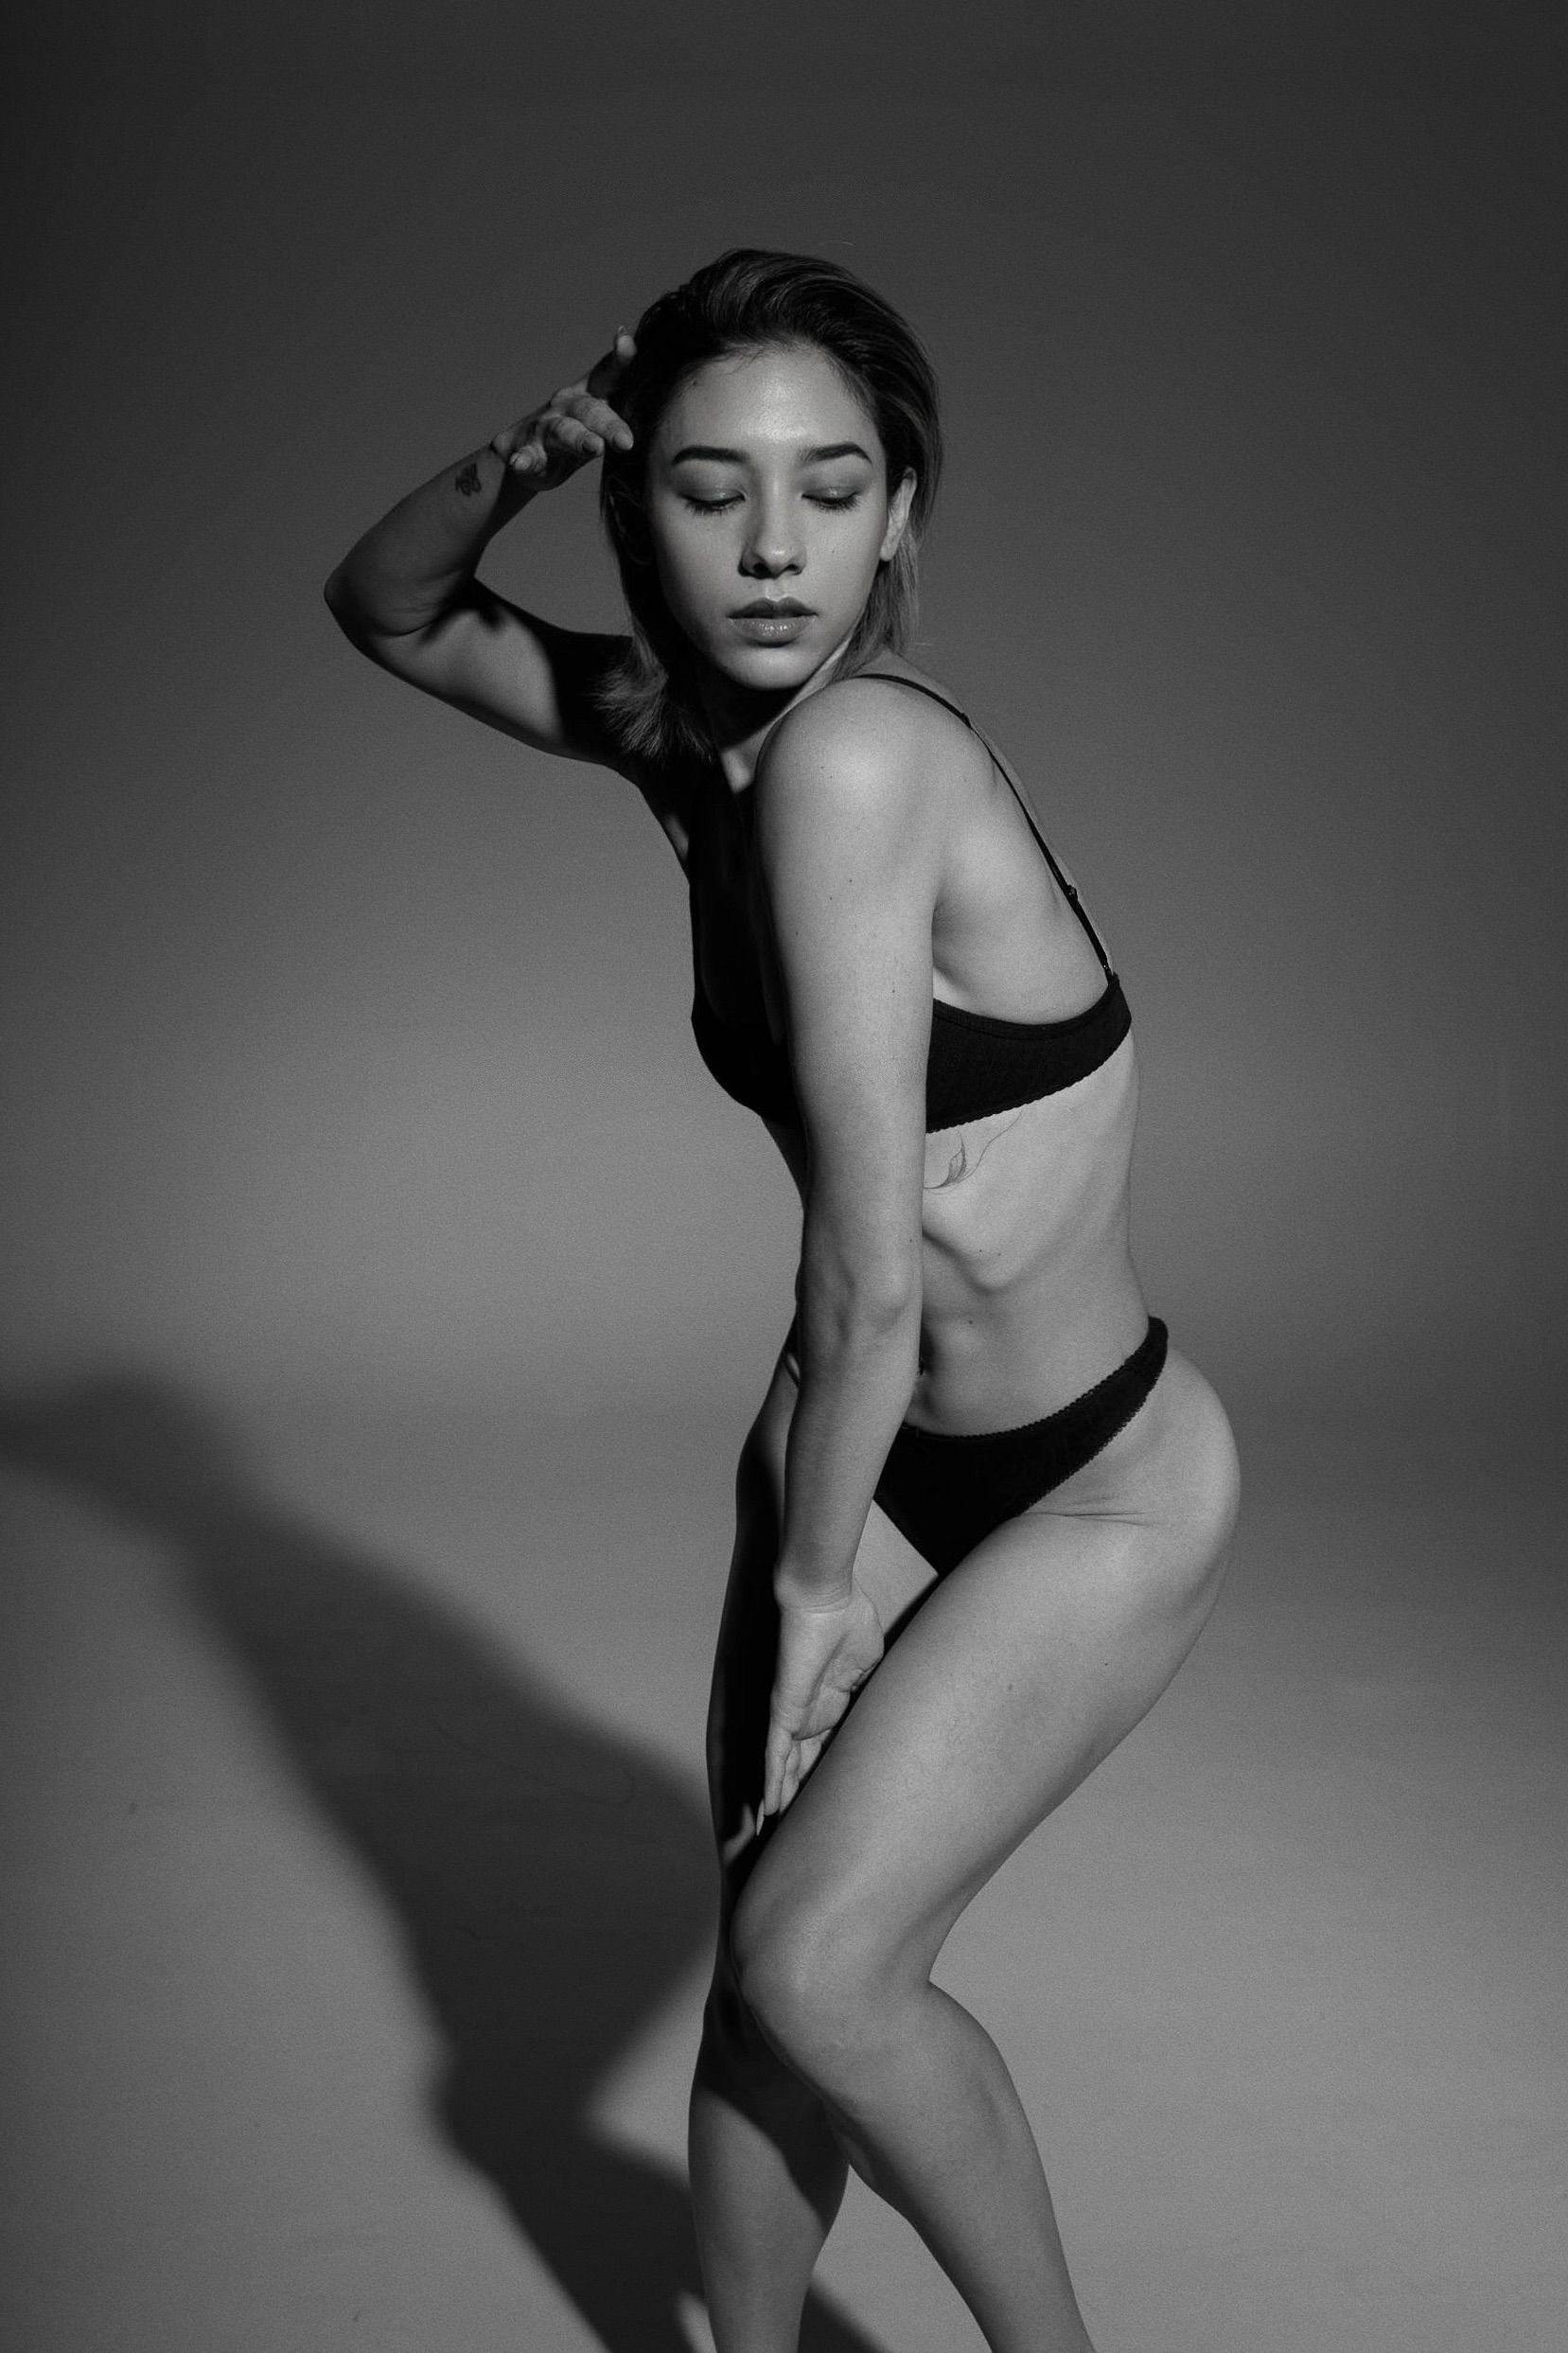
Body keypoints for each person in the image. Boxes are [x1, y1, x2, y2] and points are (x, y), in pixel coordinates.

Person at [325, 247, 1241, 2353]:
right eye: (707, 487)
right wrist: (519, 456)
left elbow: (864, 1244)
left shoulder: (862, 759)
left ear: (900, 511)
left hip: (1095, 1480)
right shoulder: (687, 750)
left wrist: (820, 1589)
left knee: (827, 1966)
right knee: (767, 1966)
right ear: (635, 505)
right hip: (863, 1429)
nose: (771, 546)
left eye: (831, 488)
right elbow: (387, 607)